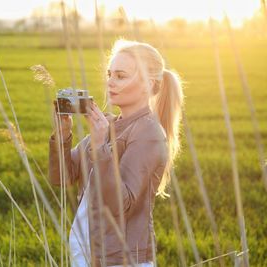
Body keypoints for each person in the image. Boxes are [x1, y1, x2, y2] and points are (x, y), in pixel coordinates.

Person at [48, 39, 184, 267]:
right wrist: (63, 134)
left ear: (148, 85)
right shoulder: (108, 124)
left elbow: (119, 204)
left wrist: (101, 147)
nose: (110, 82)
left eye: (120, 76)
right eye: (110, 74)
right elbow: (62, 177)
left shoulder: (149, 133)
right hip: (89, 256)